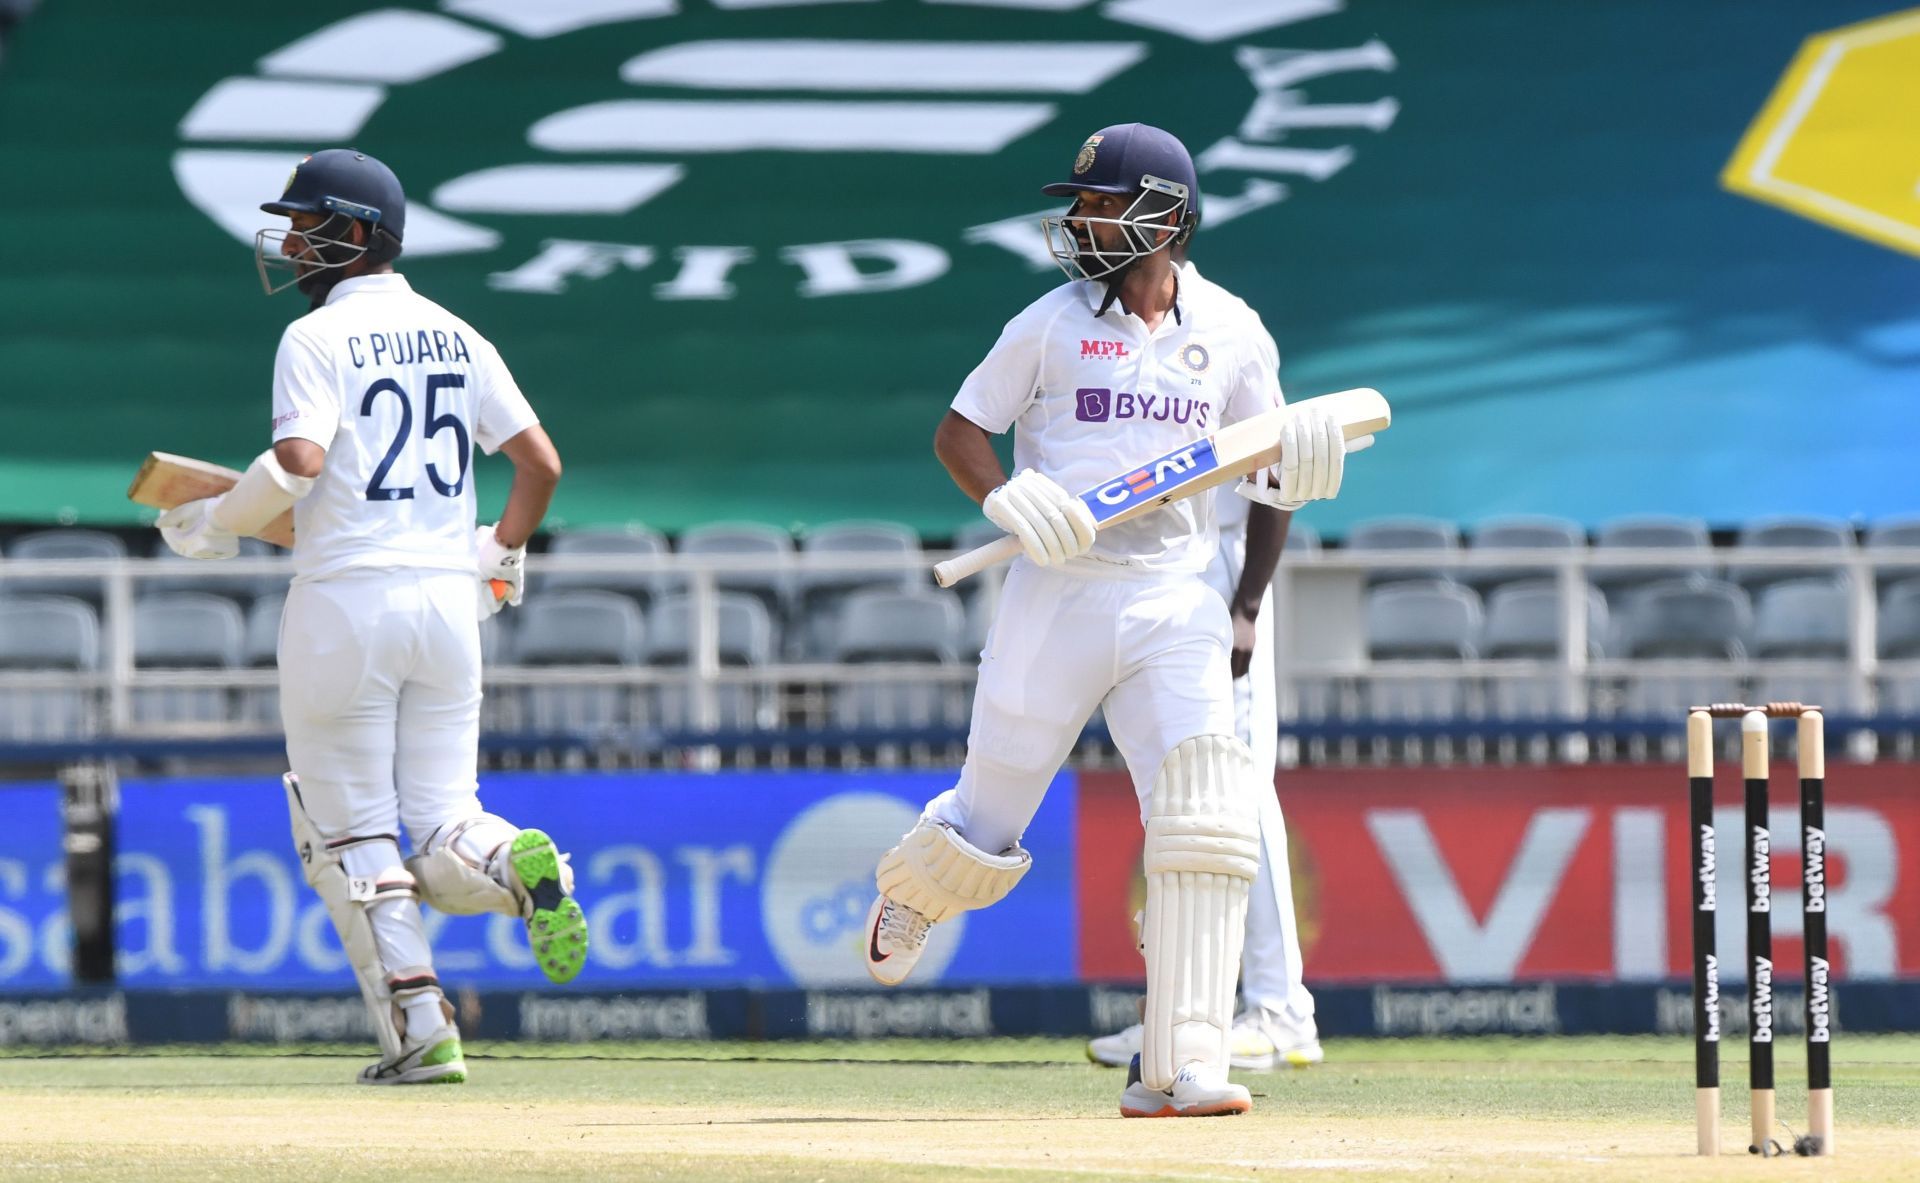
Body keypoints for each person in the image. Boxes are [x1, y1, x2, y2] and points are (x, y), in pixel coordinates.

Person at [859, 124, 1359, 1117]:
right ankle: (914, 888)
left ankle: (1182, 1061)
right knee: (989, 821)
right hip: (1057, 589)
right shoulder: (1047, 324)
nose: (1083, 220)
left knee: (1204, 817)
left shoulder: (1234, 330)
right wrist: (1002, 497)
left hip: (1177, 596)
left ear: (1165, 219)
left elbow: (1270, 479)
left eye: (1103, 204)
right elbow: (960, 429)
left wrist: (1246, 603)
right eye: (1082, 204)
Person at [155, 148, 587, 1085]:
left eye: (309, 226)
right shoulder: (459, 333)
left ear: (354, 234)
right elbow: (541, 463)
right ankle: (514, 861)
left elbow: (299, 466)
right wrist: (500, 553)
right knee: (442, 823)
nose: (294, 243)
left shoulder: (314, 339)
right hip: (446, 605)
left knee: (352, 834)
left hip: (345, 607)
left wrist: (215, 530)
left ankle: (422, 1032)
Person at [1086, 484, 1323, 1072]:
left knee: (1235, 785)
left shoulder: (1238, 383)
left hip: (1219, 563)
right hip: (1146, 563)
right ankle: (1180, 1014)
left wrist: (1246, 605)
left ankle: (1281, 1010)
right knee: (1176, 790)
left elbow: (1277, 476)